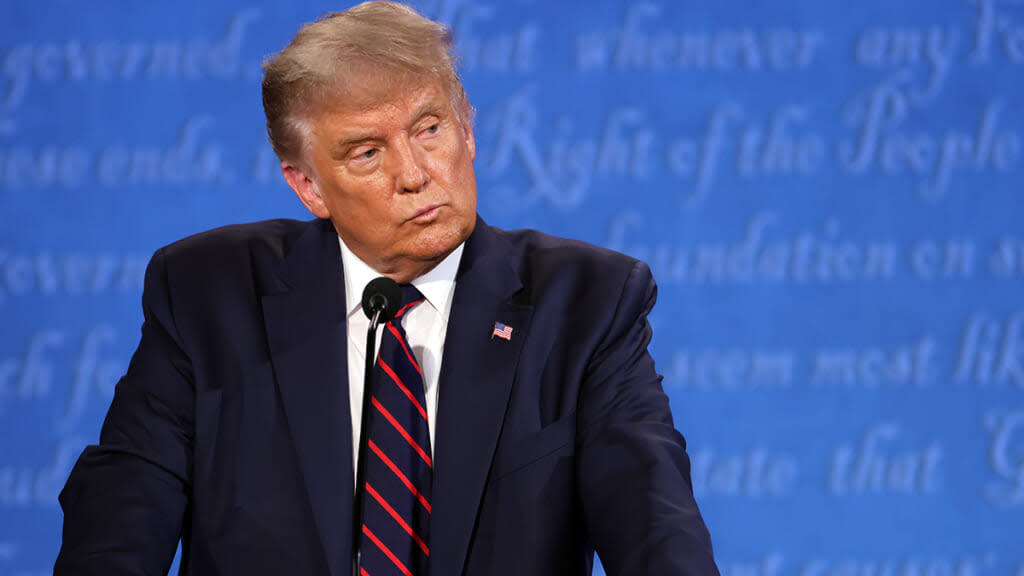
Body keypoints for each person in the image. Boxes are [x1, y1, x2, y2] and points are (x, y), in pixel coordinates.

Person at [55, 2, 719, 575]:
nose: (414, 173)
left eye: (428, 129)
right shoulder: (207, 296)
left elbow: (656, 530)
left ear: (468, 130)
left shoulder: (586, 304)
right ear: (308, 185)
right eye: (367, 152)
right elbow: (120, 517)